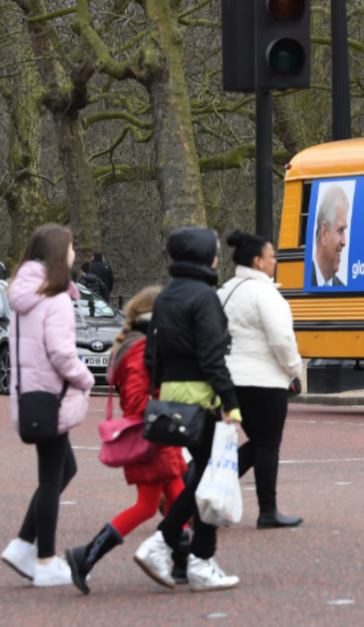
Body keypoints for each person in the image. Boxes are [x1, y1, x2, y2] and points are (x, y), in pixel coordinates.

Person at [133, 227, 243, 592]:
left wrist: (158, 393)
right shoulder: (205, 298)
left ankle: (184, 553)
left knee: (202, 477)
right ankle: (189, 555)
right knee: (208, 479)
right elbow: (212, 357)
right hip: (203, 397)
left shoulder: (166, 297)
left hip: (173, 395)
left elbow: (152, 354)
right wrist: (230, 403)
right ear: (205, 258)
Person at [65, 287, 190, 594]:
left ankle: (184, 564)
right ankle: (86, 556)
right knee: (148, 507)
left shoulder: (137, 344)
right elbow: (136, 399)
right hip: (153, 437)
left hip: (159, 436)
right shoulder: (141, 348)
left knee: (179, 502)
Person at [0, 225, 96, 587]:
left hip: (30, 395)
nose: (74, 254)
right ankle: (45, 560)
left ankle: (24, 544)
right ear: (59, 254)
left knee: (63, 468)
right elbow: (60, 352)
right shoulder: (54, 298)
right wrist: (86, 378)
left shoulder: (25, 296)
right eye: (70, 248)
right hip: (52, 396)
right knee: (53, 477)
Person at [219, 230, 303, 528]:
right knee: (268, 444)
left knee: (258, 442)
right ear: (257, 261)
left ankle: (193, 491)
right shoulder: (267, 293)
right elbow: (281, 339)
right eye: (271, 256)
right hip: (265, 381)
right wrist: (294, 369)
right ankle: (268, 510)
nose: (275, 261)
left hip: (231, 380)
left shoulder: (225, 291)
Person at [314, 184, 350, 286]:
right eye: (340, 230)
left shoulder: (341, 286)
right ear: (324, 233)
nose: (344, 242)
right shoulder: (304, 281)